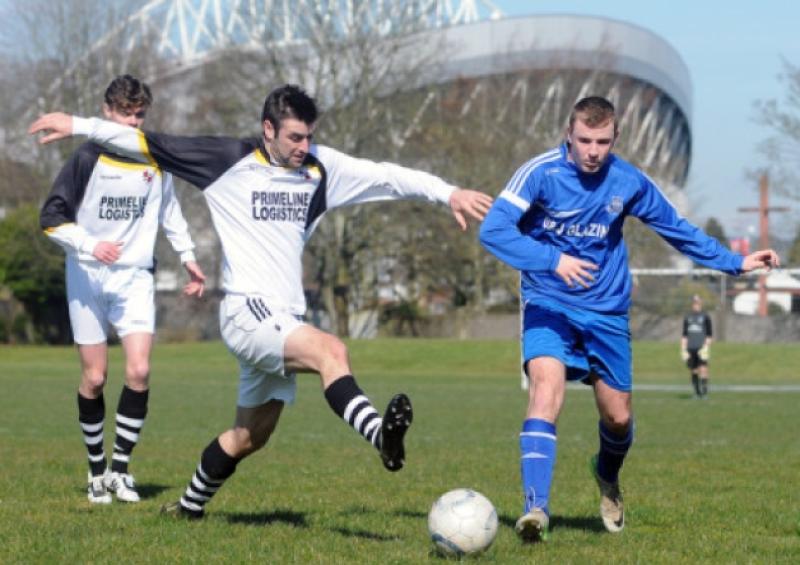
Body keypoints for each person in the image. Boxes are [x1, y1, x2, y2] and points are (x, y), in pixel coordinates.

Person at [30, 84, 493, 519]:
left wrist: (447, 192)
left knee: (249, 436)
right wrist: (78, 124)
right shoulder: (226, 161)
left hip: (284, 319)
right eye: (294, 136)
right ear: (268, 129)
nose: (302, 146)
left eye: (309, 136)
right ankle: (382, 437)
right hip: (245, 313)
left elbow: (388, 177)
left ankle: (187, 507)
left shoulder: (319, 168)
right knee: (332, 351)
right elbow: (147, 141)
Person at [478, 96, 779, 542]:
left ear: (616, 138)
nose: (593, 150)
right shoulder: (539, 173)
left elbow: (677, 229)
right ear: (568, 134)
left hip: (606, 311)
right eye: (584, 140)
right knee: (545, 391)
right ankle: (536, 509)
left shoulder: (628, 181)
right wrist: (550, 259)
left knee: (617, 418)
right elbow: (493, 229)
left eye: (602, 141)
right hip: (548, 302)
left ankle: (607, 476)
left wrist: (734, 263)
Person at [38, 74, 207, 504]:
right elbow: (52, 218)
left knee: (139, 371)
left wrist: (188, 257)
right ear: (106, 112)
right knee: (94, 377)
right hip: (87, 275)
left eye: (140, 115)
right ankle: (96, 472)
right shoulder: (87, 158)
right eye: (126, 114)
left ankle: (120, 471)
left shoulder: (154, 159)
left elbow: (170, 212)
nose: (134, 123)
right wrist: (91, 245)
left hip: (135, 276)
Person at [681, 294, 713, 398]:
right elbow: (684, 334)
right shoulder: (688, 317)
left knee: (703, 369)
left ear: (701, 304)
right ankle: (696, 392)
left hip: (701, 347)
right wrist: (683, 349)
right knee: (693, 370)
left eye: (698, 303)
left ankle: (704, 392)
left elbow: (709, 335)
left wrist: (705, 347)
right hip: (691, 347)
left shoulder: (705, 316)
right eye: (694, 303)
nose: (696, 305)